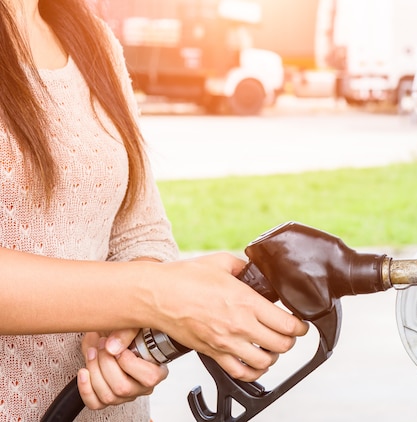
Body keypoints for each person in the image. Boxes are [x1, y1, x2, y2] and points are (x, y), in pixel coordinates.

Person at [0, 0, 309, 420]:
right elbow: (146, 289)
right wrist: (151, 295)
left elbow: (140, 229)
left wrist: (121, 325)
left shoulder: (93, 38)